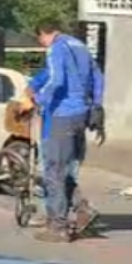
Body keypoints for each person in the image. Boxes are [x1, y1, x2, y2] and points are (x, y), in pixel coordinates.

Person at [30, 20, 106, 243]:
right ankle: (83, 210)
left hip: (62, 114)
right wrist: (96, 105)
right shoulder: (80, 45)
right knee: (63, 169)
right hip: (81, 114)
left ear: (44, 34)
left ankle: (58, 226)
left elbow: (56, 80)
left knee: (53, 171)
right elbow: (98, 77)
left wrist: (39, 99)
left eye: (40, 40)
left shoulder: (57, 47)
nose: (42, 44)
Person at [23, 68, 82, 229]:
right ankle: (74, 211)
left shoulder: (55, 68)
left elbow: (31, 88)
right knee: (68, 172)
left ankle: (57, 218)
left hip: (55, 129)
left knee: (53, 174)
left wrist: (32, 100)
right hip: (77, 126)